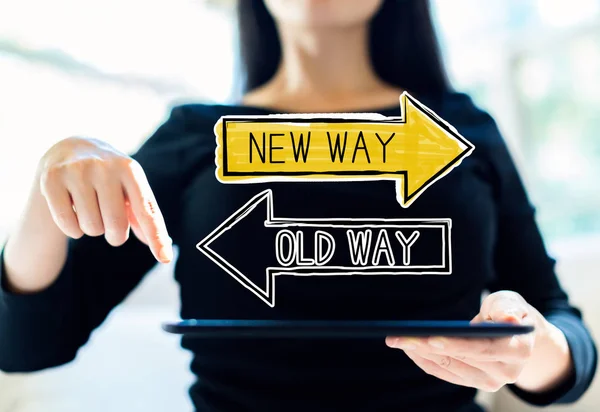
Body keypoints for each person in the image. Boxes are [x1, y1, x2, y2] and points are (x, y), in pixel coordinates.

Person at [0, 0, 596, 411]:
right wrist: (49, 179)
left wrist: (529, 351)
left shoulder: (466, 130)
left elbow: (563, 336)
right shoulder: (191, 138)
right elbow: (23, 345)